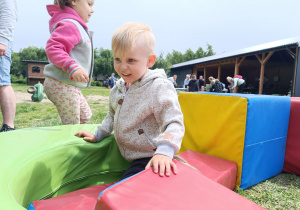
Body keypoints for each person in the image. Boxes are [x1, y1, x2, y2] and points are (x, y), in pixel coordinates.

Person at [75, 22, 184, 179]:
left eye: (131, 60)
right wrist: (98, 134)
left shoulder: (158, 87)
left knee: (123, 194)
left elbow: (174, 122)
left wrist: (164, 151)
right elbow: (112, 115)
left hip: (150, 156)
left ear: (150, 61)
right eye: (117, 59)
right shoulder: (118, 88)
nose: (122, 67)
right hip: (128, 155)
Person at [43, 0, 95, 125]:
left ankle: (74, 138)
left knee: (85, 116)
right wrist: (73, 67)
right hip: (61, 84)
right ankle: (70, 142)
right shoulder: (70, 25)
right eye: (89, 4)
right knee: (72, 124)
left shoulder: (76, 25)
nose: (92, 10)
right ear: (74, 1)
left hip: (70, 85)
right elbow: (53, 48)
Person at [0, 0, 18, 132]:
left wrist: (2, 39)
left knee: (2, 81)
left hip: (1, 40)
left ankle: (9, 126)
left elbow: (8, 13)